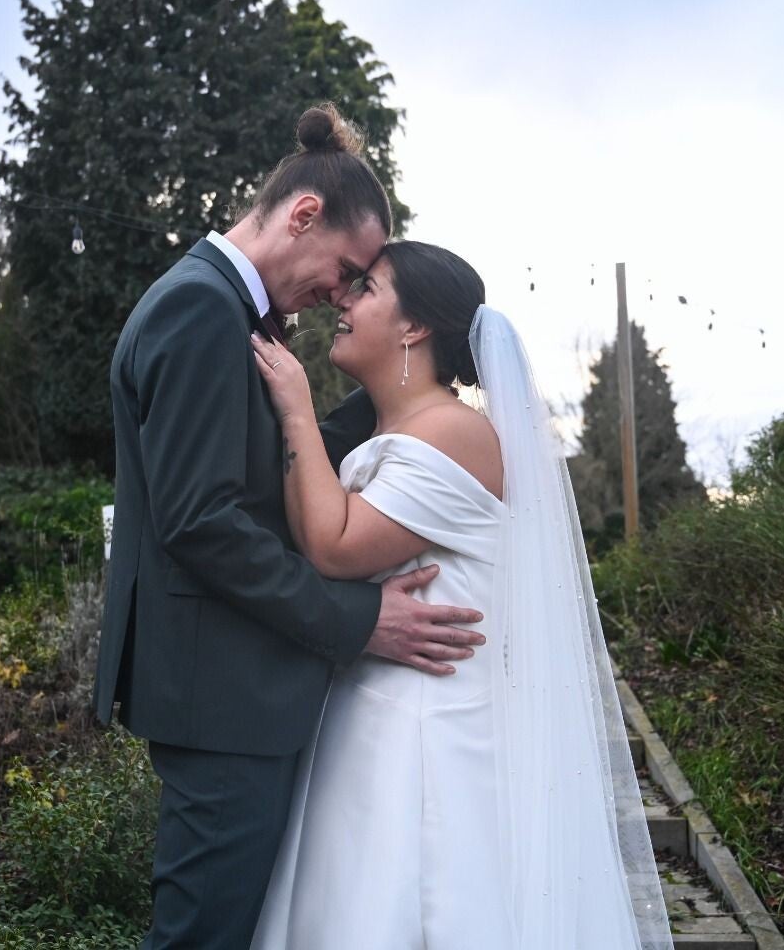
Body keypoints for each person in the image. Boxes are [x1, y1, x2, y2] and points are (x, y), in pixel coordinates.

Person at [93, 104, 489, 950]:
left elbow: (264, 474)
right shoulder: (200, 308)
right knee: (202, 938)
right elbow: (203, 521)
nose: (341, 294)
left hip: (234, 691)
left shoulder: (225, 308)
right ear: (304, 214)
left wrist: (411, 393)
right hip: (222, 697)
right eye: (346, 270)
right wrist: (360, 619)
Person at [248, 240, 674, 948]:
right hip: (375, 710)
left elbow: (332, 546)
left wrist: (294, 410)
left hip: (424, 730)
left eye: (366, 289)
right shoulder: (397, 428)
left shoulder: (454, 431)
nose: (343, 301)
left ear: (415, 327)